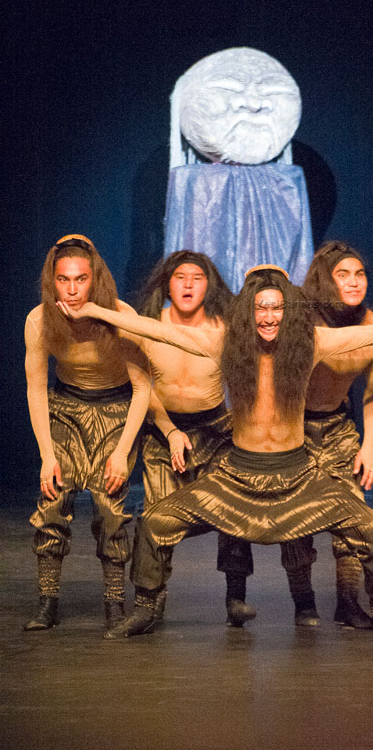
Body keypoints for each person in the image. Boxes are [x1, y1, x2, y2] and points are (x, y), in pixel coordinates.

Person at [59, 264, 373, 640]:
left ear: (288, 311)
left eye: (277, 308)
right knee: (155, 522)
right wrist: (94, 310)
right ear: (249, 312)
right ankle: (146, 609)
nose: (269, 317)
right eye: (261, 308)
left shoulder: (310, 344)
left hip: (299, 477)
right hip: (236, 477)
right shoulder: (226, 344)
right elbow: (158, 331)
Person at [24, 234, 151, 631]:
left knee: (110, 506)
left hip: (116, 411)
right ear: (53, 280)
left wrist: (122, 451)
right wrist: (47, 454)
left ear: (95, 279)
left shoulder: (120, 315)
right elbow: (35, 388)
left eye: (81, 279)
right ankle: (47, 603)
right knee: (52, 497)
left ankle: (114, 603)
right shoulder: (40, 320)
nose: (73, 289)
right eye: (64, 279)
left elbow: (143, 388)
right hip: (66, 409)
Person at [135, 250, 255, 626]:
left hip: (215, 430)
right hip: (163, 431)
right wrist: (170, 430)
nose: (188, 284)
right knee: (156, 515)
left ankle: (236, 597)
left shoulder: (223, 327)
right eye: (180, 277)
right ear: (167, 284)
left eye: (197, 278)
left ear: (209, 285)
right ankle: (149, 603)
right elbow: (142, 387)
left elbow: (245, 377)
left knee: (233, 507)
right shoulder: (149, 326)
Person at [280, 242, 373, 629]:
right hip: (293, 427)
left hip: (339, 428)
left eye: (360, 274)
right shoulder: (301, 320)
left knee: (352, 517)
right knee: (295, 520)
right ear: (326, 280)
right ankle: (304, 603)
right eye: (343, 275)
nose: (354, 281)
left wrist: (370, 447)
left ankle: (347, 602)